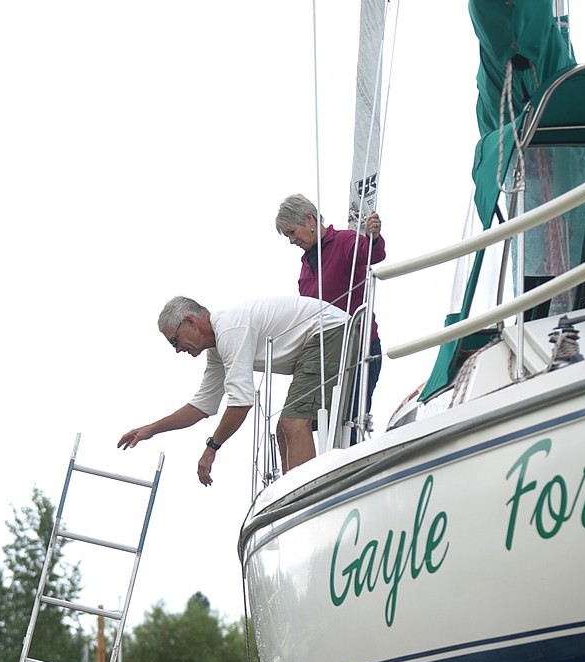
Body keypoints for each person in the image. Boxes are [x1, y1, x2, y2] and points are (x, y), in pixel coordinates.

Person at [117, 293, 349, 482]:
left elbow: (241, 403)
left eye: (175, 341)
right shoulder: (217, 348)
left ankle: (307, 498)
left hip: (330, 332)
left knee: (293, 423)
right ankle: (296, 498)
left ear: (190, 322)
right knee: (284, 430)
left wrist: (212, 448)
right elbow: (202, 406)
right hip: (323, 337)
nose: (177, 350)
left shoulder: (229, 329)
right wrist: (151, 429)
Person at [276, 194, 386, 411]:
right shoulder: (305, 266)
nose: (291, 240)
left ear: (309, 220)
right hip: (327, 357)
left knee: (351, 421)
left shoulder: (344, 241)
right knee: (320, 422)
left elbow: (371, 253)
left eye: (291, 232)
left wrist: (373, 236)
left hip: (359, 349)